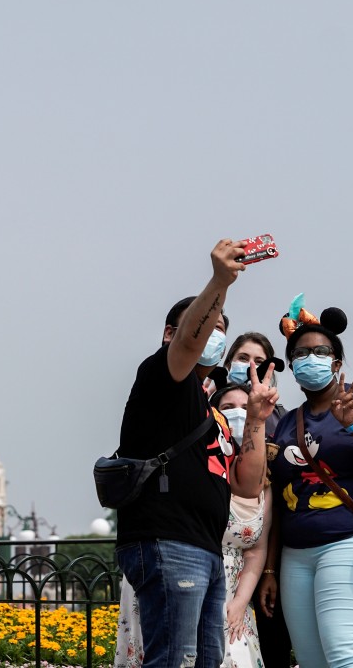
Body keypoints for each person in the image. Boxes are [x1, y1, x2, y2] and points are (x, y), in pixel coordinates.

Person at [114, 238, 277, 668]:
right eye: (209, 327)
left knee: (204, 662)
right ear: (172, 333)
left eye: (222, 331)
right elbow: (189, 341)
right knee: (173, 661)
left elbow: (245, 484)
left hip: (203, 548)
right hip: (168, 541)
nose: (214, 337)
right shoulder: (161, 377)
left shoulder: (212, 413)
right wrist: (221, 282)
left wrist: (257, 419)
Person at [268, 302, 353, 668]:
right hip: (296, 555)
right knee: (314, 662)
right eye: (300, 353)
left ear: (337, 362)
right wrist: (269, 569)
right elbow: (278, 505)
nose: (309, 358)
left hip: (350, 542)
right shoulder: (287, 423)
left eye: (319, 351)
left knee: (345, 655)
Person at [114, 383, 271, 668]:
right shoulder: (190, 453)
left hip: (226, 588)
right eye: (228, 408)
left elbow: (255, 541)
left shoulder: (253, 478)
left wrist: (257, 419)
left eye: (246, 407)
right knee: (173, 657)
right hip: (175, 563)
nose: (238, 414)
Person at [221, 333, 294, 668]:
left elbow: (278, 505)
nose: (250, 366)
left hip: (263, 549)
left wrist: (268, 570)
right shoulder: (206, 418)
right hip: (215, 559)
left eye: (259, 361)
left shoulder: (283, 425)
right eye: (241, 358)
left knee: (270, 646)